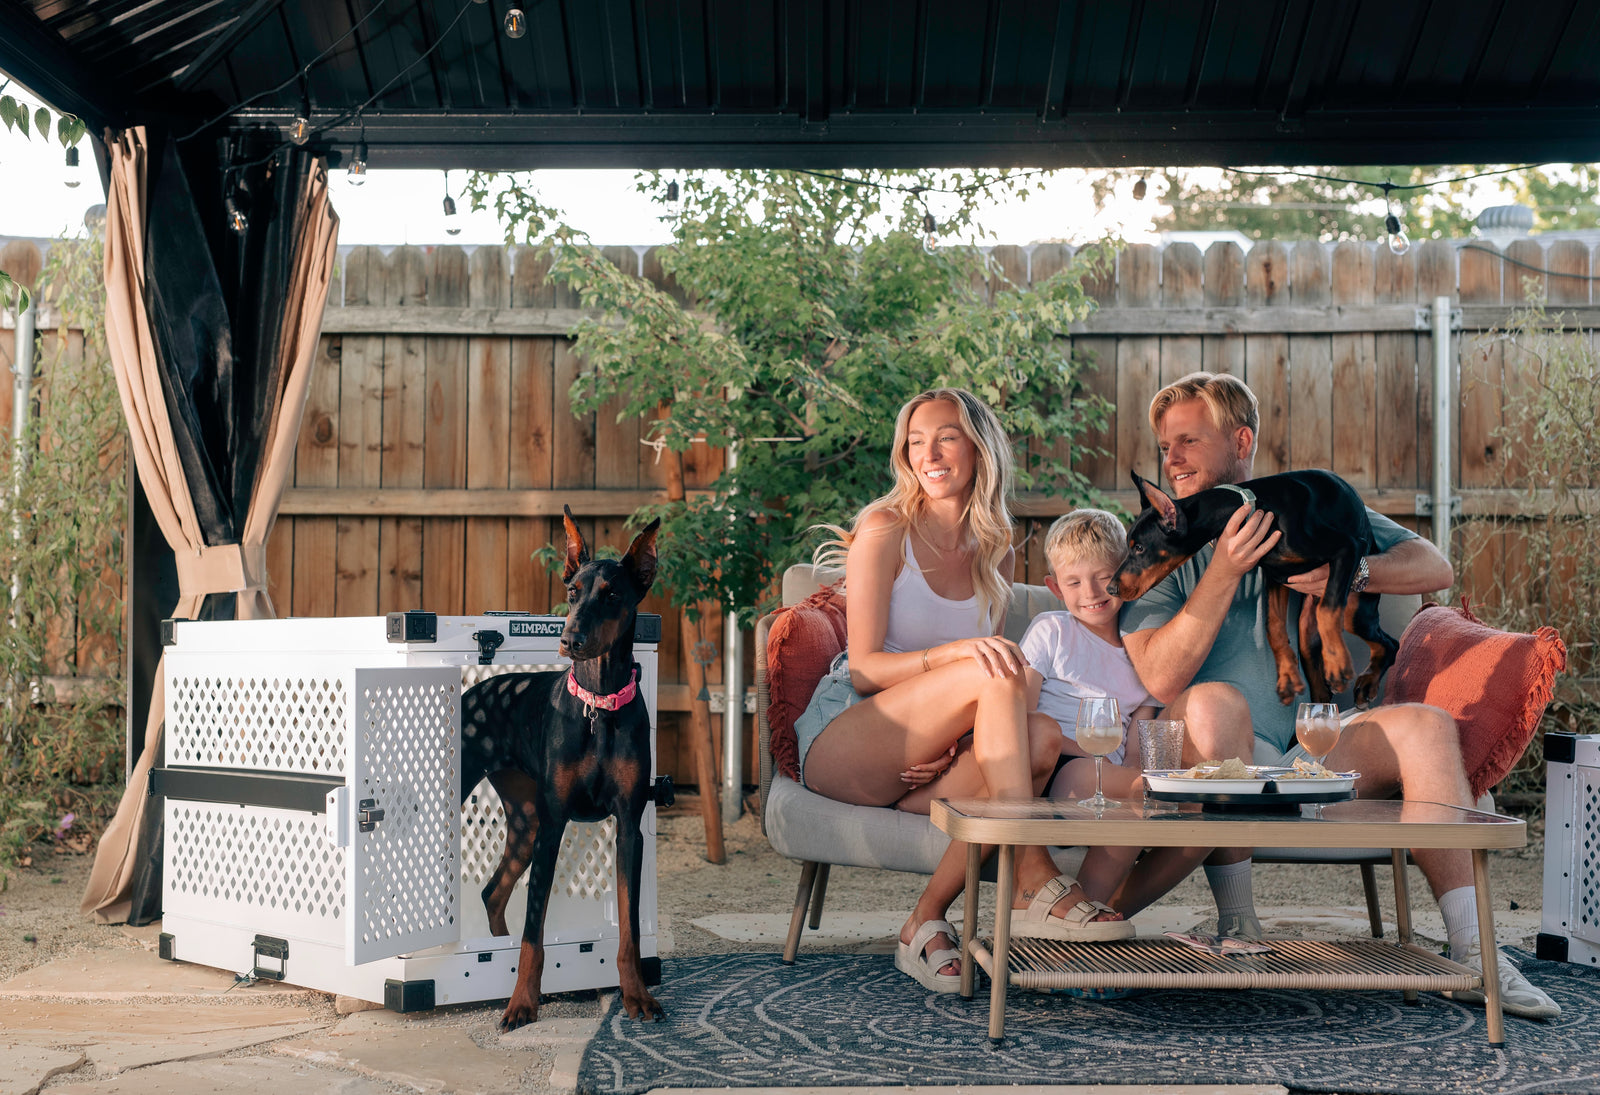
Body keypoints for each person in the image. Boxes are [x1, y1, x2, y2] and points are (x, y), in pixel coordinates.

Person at [1112, 370, 1559, 1019]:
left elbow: (1435, 564)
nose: (1170, 458)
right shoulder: (1167, 538)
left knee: (1427, 726)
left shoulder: (1305, 506)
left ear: (1241, 441)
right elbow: (1158, 675)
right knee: (1214, 704)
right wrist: (1228, 569)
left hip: (1318, 748)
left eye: (1186, 440)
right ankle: (1239, 923)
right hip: (1222, 751)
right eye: (1164, 445)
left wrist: (1351, 572)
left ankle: (1475, 950)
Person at [799, 388, 1133, 996]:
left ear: (978, 449)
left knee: (1039, 737)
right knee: (991, 664)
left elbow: (994, 700)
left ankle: (922, 921)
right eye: (916, 440)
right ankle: (1035, 874)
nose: (929, 453)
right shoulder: (884, 529)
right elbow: (867, 668)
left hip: (933, 756)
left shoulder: (994, 542)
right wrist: (954, 657)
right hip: (851, 735)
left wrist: (954, 743)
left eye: (946, 437)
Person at [1022, 509, 1212, 920]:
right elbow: (1019, 710)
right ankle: (1070, 916)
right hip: (1058, 765)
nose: (1090, 591)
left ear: (1126, 570)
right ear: (1054, 587)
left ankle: (1092, 912)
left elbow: (1137, 744)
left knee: (1199, 812)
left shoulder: (1141, 649)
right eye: (1073, 582)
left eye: (1102, 576)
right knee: (1151, 792)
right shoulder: (1051, 631)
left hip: (1110, 774)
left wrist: (1136, 774)